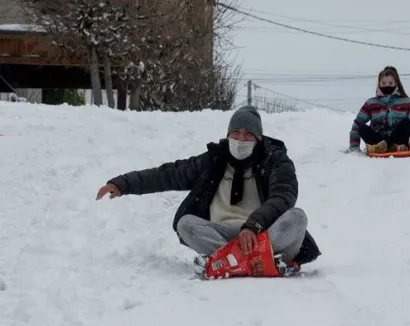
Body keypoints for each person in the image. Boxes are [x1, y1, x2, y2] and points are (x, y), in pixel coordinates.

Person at [96, 105, 321, 276]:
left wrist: (253, 225)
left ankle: (261, 260)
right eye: (236, 132)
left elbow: (284, 196)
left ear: (258, 138)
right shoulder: (214, 160)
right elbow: (168, 174)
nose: (241, 138)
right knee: (186, 224)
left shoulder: (276, 161)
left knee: (297, 217)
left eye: (248, 134)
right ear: (228, 134)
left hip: (264, 234)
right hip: (221, 235)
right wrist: (123, 183)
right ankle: (240, 260)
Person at [348, 66, 410, 154]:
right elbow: (357, 124)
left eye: (390, 83)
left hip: (398, 139)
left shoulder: (406, 102)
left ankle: (393, 145)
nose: (387, 86)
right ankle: (385, 147)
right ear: (379, 84)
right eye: (384, 83)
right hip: (378, 140)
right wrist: (354, 147)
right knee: (361, 127)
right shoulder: (371, 103)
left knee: (407, 123)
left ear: (396, 84)